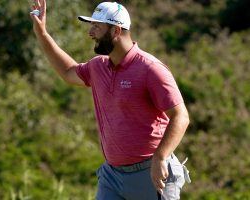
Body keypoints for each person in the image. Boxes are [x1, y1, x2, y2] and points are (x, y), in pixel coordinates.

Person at [30, 1, 190, 199]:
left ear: (116, 31)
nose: (91, 33)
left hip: (151, 173)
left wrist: (161, 156)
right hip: (112, 176)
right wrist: (42, 34)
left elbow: (180, 116)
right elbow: (68, 72)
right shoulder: (98, 67)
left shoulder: (151, 69)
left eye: (97, 26)